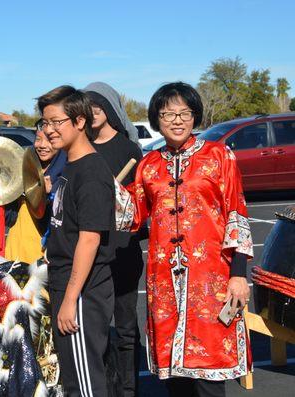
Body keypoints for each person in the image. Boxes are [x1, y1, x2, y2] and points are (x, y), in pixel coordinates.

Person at [116, 82, 253, 397]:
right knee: (174, 378)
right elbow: (132, 217)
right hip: (163, 280)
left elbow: (237, 213)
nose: (176, 121)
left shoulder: (219, 156)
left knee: (208, 376)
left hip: (211, 277)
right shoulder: (148, 166)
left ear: (195, 117)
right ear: (157, 119)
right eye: (168, 114)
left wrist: (238, 274)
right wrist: (103, 188)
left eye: (184, 113)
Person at [38, 85, 116, 396]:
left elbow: (89, 240)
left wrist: (70, 299)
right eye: (45, 123)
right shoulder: (69, 166)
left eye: (56, 122)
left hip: (84, 292)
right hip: (64, 283)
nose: (49, 131)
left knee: (85, 384)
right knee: (72, 380)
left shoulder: (92, 171)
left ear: (80, 121)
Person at [83, 82, 145, 397]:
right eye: (87, 105)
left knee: (124, 327)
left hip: (123, 251)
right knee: (93, 329)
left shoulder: (129, 150)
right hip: (89, 253)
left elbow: (142, 204)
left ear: (110, 108)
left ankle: (128, 389)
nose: (93, 111)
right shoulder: (78, 148)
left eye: (98, 105)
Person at [3, 121, 66, 263]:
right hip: (18, 242)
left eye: (49, 140)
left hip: (47, 248)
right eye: (38, 139)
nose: (42, 145)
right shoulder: (25, 166)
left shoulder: (67, 170)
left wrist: (48, 196)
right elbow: (9, 215)